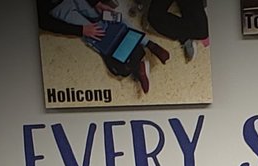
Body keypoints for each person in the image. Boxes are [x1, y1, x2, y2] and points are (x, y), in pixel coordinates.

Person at [38, 0, 172, 95]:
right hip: (55, 7)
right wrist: (81, 30)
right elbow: (45, 22)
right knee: (98, 34)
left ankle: (151, 46)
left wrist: (96, 3)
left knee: (112, 19)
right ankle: (139, 63)